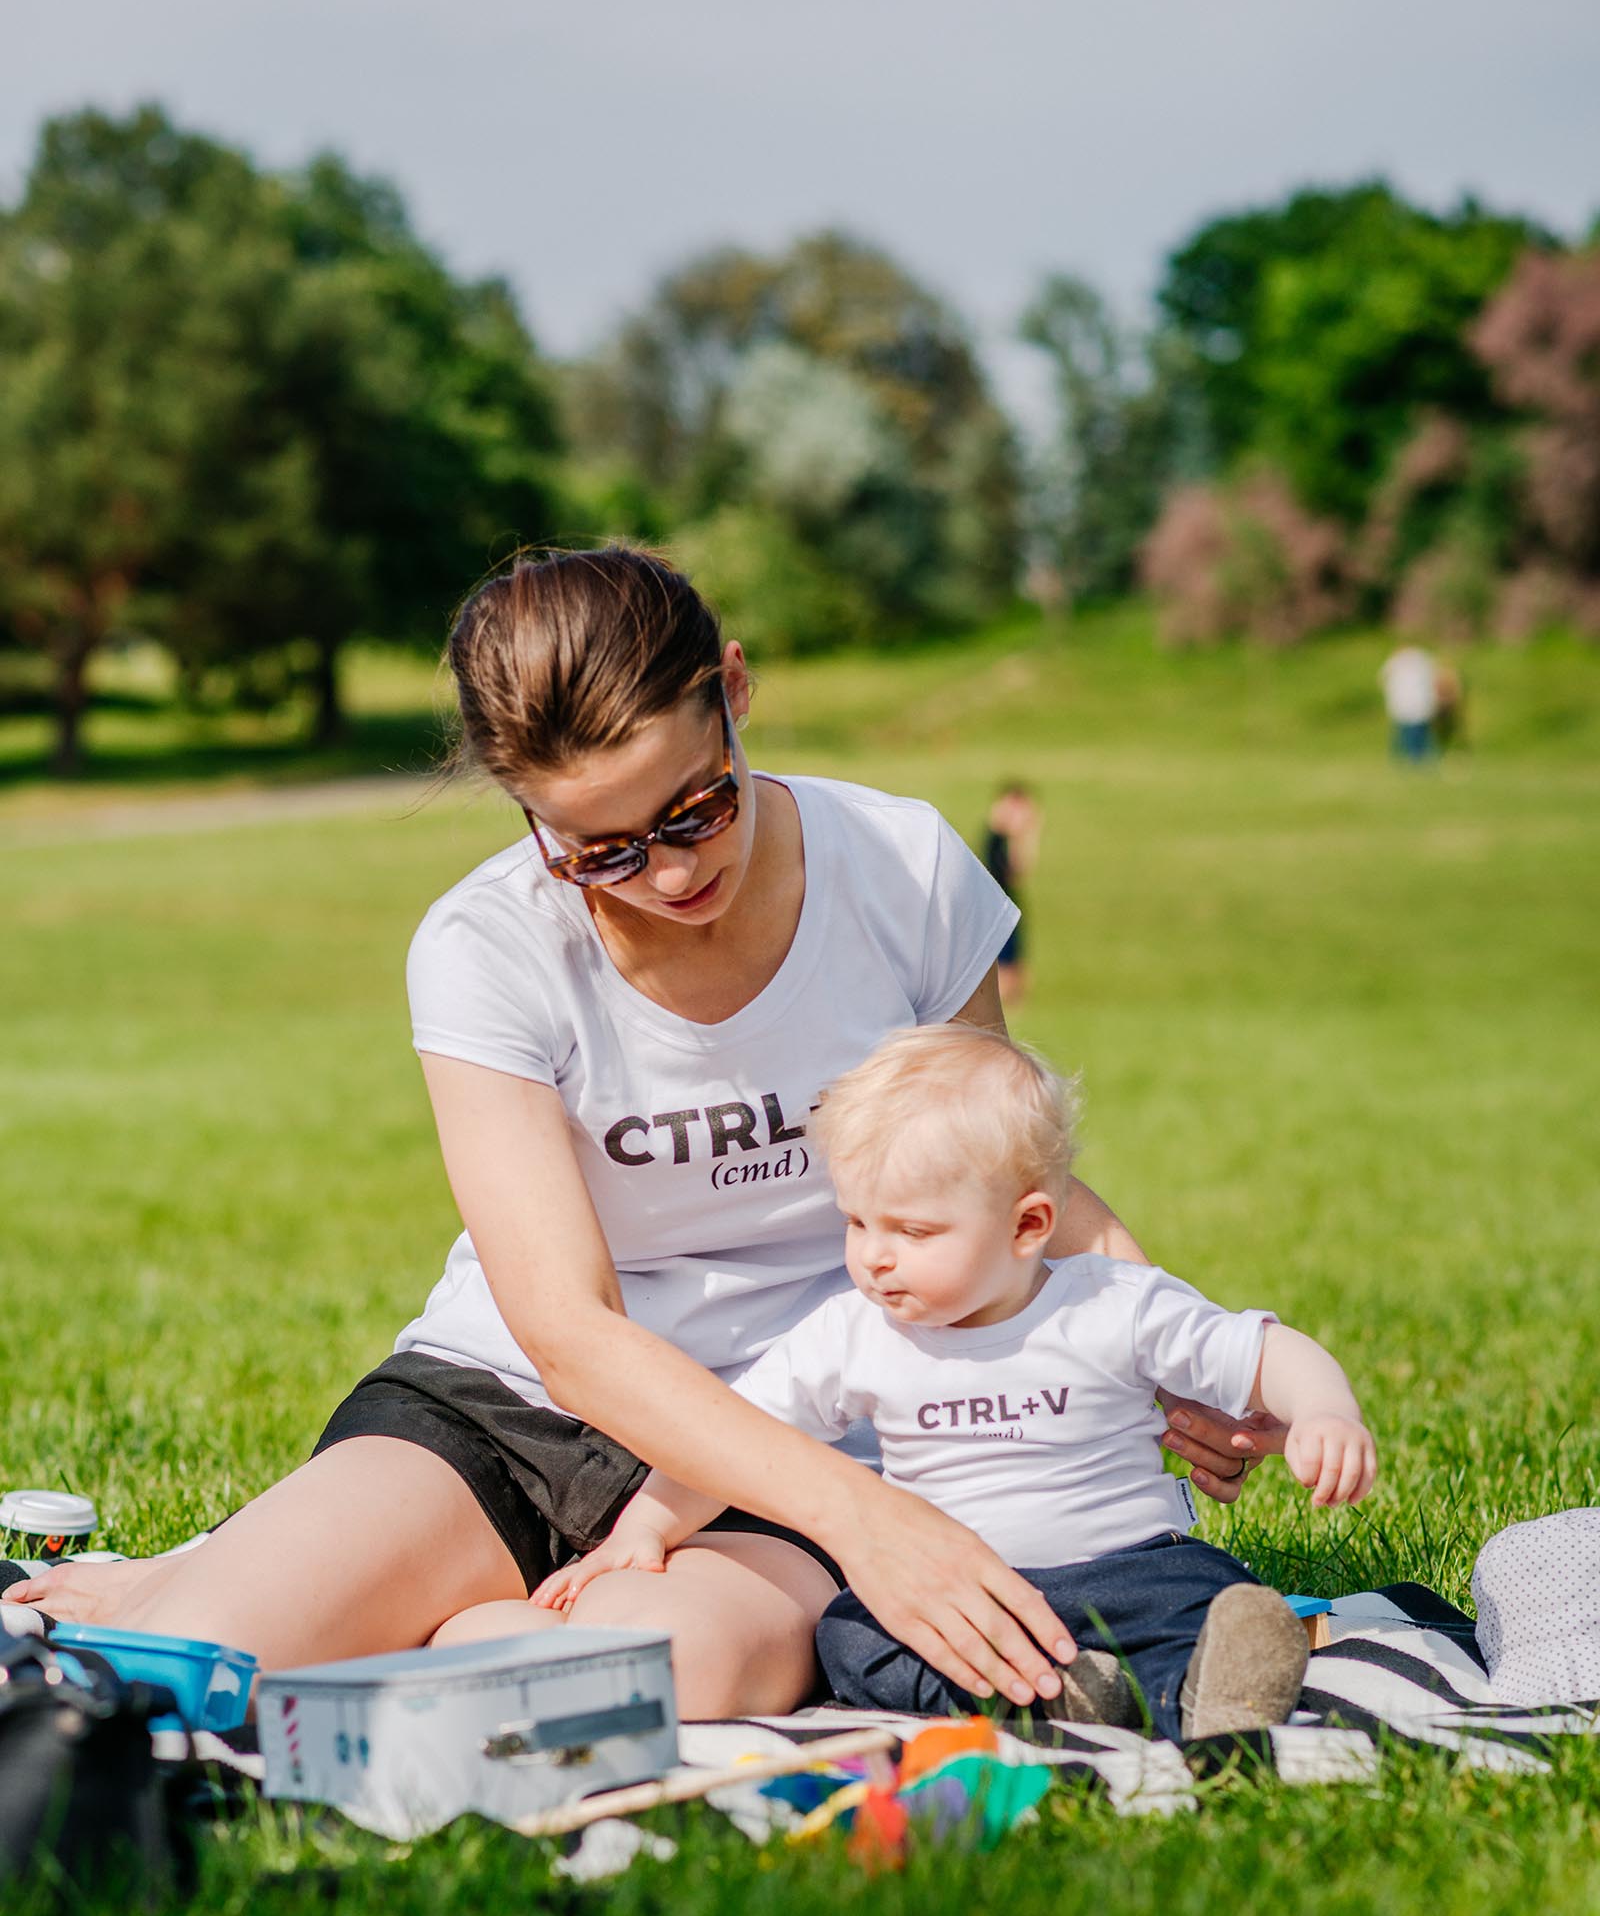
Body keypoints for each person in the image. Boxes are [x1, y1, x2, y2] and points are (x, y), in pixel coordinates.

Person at [13, 549, 1274, 1720]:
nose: (668, 876)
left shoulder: (901, 867)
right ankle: (217, 1578)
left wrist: (1176, 1344)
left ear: (732, 691)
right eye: (600, 850)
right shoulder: (484, 945)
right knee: (190, 1664)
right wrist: (871, 1524)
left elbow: (1009, 1181)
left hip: (795, 1434)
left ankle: (438, 1619)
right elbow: (565, 1332)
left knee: (667, 1675)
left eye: (694, 810)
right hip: (510, 1407)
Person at [532, 1024, 1376, 1740]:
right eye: (858, 1221)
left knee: (1203, 1602)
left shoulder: (1112, 1303)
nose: (875, 1254)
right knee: (854, 1638)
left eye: (913, 1229)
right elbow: (734, 1434)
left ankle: (1203, 1693)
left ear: (1028, 1225)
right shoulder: (855, 1333)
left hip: (1130, 1565)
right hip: (957, 1586)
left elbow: (1264, 1350)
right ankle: (1071, 1695)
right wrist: (644, 1528)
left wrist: (1323, 1407)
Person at [981, 783, 1042, 1008]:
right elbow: (1017, 870)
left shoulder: (995, 839)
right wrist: (1027, 834)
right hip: (1000, 910)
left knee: (1013, 971)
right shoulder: (996, 840)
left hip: (1004, 906)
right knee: (1007, 974)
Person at [1380, 646, 1439, 765]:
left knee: (1417, 732)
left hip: (1418, 705)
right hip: (1406, 705)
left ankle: (1417, 757)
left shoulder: (1421, 662)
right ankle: (1410, 757)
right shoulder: (1398, 663)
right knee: (1407, 733)